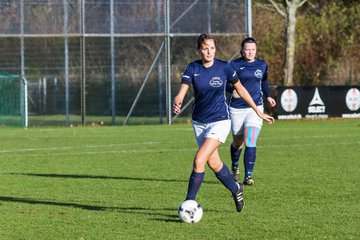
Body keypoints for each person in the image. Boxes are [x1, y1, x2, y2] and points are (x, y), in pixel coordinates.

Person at [172, 33, 274, 212]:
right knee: (214, 163)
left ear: (215, 49)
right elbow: (183, 89)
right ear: (199, 50)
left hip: (220, 120)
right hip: (199, 122)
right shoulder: (192, 67)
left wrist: (258, 110)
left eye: (212, 48)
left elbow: (240, 89)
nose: (209, 51)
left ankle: (189, 204)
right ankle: (236, 189)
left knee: (199, 160)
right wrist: (178, 99)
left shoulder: (224, 67)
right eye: (205, 48)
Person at [227, 37, 276, 186]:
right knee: (237, 143)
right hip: (237, 108)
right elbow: (222, 82)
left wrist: (268, 96)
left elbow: (264, 81)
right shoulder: (234, 65)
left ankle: (248, 176)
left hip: (256, 108)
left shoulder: (262, 64)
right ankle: (235, 167)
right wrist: (232, 90)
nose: (250, 52)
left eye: (253, 49)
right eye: (247, 49)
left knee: (250, 141)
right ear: (242, 50)